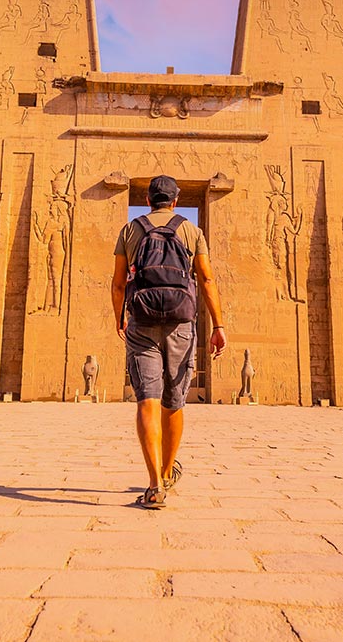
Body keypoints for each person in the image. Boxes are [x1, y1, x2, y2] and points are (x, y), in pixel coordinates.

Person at [111, 175, 227, 509]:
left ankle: (154, 485)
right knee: (174, 401)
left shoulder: (131, 230)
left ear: (148, 200)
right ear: (176, 201)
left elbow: (118, 283)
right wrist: (218, 324)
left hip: (142, 320)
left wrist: (120, 317)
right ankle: (166, 471)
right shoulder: (191, 231)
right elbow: (207, 279)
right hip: (181, 323)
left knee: (147, 400)